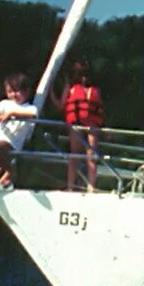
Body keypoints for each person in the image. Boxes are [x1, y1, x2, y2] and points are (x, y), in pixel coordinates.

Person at [52, 59, 104, 192]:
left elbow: (99, 110)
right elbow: (61, 105)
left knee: (91, 154)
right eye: (80, 74)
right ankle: (70, 186)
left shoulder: (95, 90)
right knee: (75, 154)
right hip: (75, 124)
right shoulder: (70, 87)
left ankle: (91, 187)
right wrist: (50, 93)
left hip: (91, 124)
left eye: (85, 74)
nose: (83, 78)